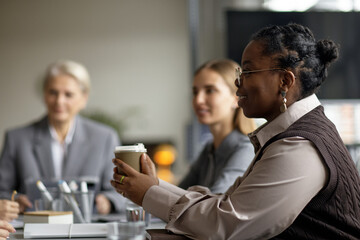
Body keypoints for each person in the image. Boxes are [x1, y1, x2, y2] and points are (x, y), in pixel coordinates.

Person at [111, 23, 360, 239]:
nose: (238, 83)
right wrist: (154, 186)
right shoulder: (289, 137)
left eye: (248, 72)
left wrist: (150, 193)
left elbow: (227, 226)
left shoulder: (299, 146)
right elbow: (227, 205)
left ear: (285, 81)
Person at [0, 60, 125, 214]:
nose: (59, 101)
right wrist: (14, 201)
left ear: (83, 98)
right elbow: (2, 191)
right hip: (34, 228)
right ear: (44, 95)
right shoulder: (16, 139)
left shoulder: (105, 138)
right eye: (53, 92)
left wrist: (108, 202)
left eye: (68, 94)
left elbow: (121, 192)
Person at [178, 59, 256, 193]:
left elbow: (214, 202)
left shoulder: (245, 149)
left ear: (236, 98)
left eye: (210, 90)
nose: (198, 100)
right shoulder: (209, 149)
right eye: (195, 92)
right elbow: (177, 192)